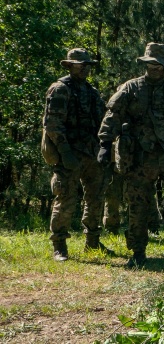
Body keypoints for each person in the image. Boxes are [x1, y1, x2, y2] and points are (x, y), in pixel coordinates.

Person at [97, 42, 164, 267]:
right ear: (145, 64)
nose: (155, 69)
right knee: (138, 204)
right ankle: (138, 251)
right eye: (151, 64)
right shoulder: (130, 88)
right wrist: (105, 144)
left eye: (159, 65)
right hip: (139, 156)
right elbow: (113, 115)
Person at [42, 48, 113, 261]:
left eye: (87, 65)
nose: (84, 69)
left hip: (91, 153)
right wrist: (65, 153)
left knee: (95, 197)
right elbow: (52, 125)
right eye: (80, 65)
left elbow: (103, 119)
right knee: (65, 198)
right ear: (70, 65)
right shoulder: (60, 89)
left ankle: (92, 241)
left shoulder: (91, 92)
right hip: (69, 153)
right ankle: (59, 246)